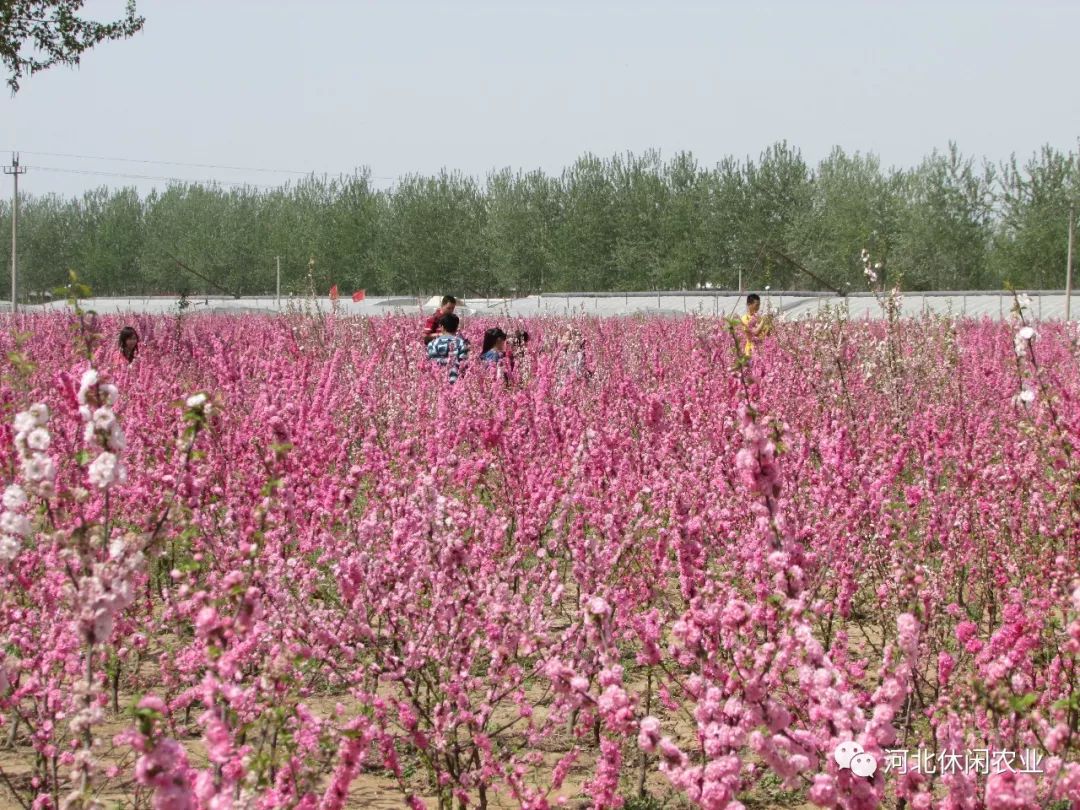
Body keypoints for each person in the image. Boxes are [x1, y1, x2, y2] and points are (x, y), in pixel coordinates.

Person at [426, 312, 470, 383]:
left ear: (442, 327)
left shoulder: (432, 344)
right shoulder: (462, 343)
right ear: (456, 327)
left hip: (437, 383)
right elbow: (464, 366)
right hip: (456, 385)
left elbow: (430, 364)